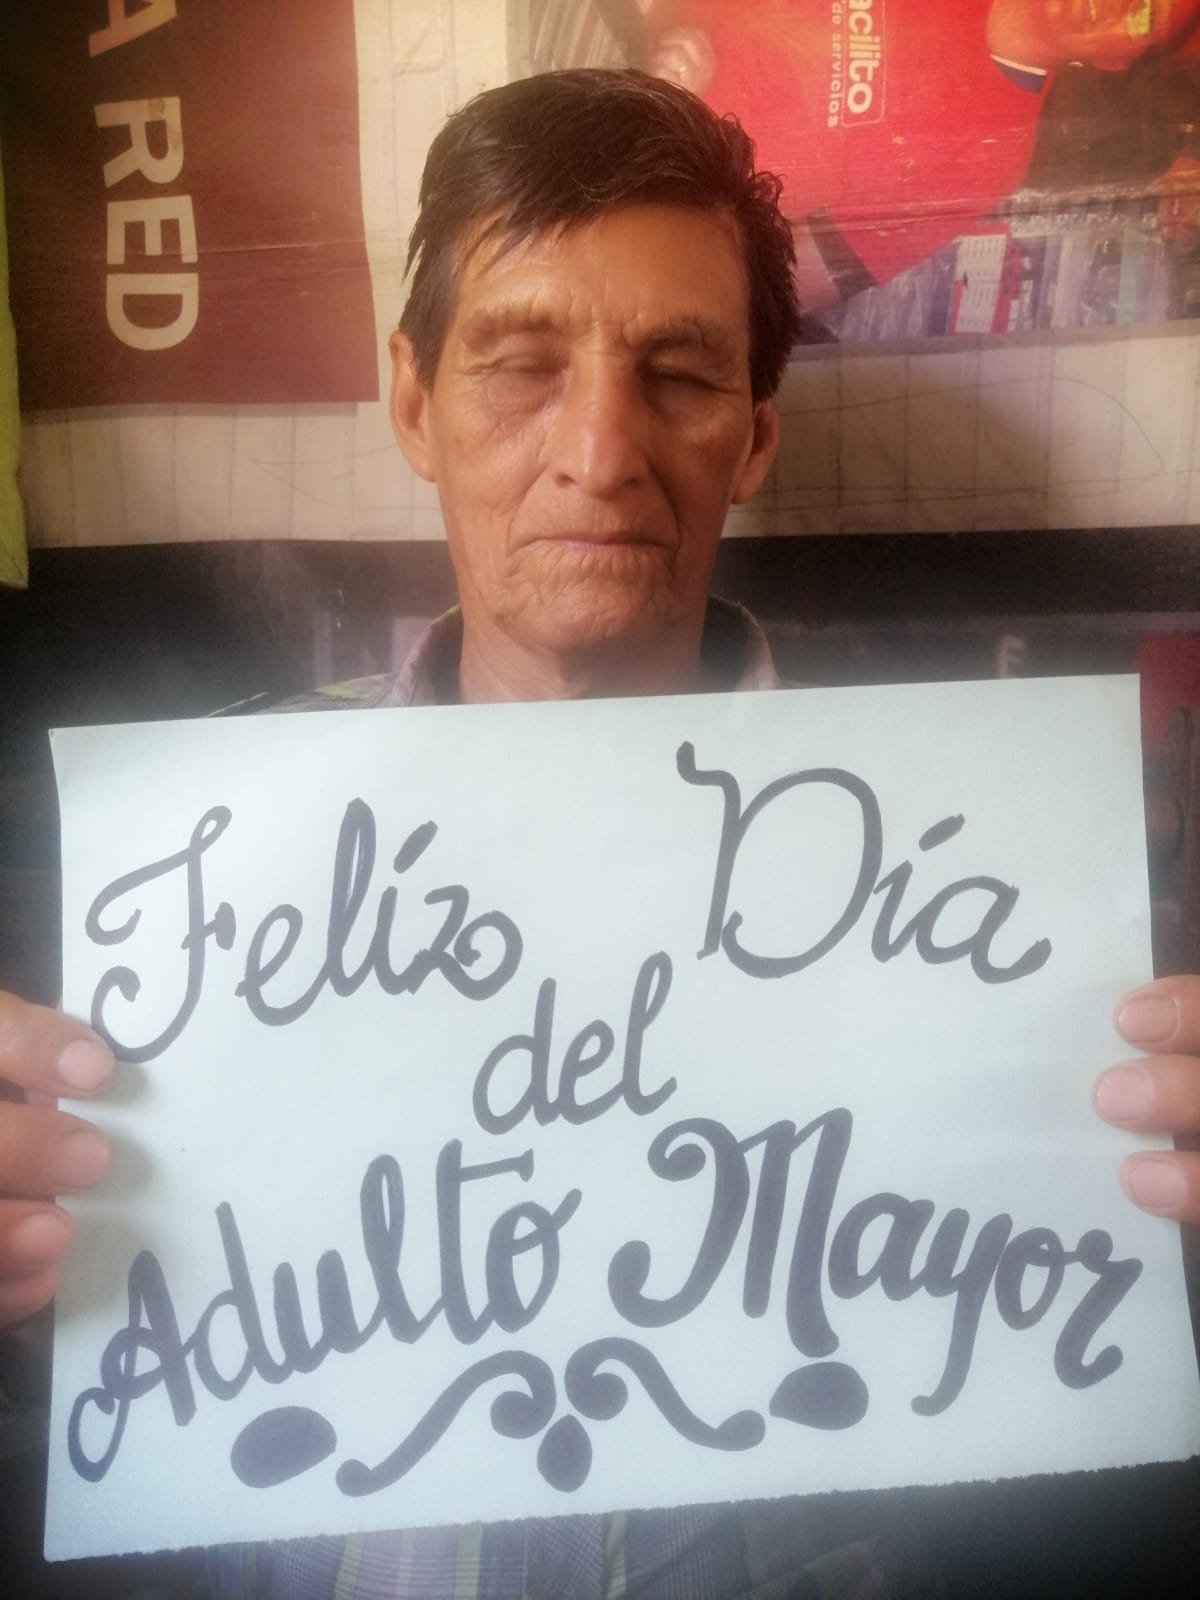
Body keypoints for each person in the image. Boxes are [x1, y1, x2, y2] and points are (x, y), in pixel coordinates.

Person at [1, 65, 1198, 1598]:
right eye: (520, 365)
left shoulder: (1002, 899)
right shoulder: (196, 880)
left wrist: (1170, 1259)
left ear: (753, 438)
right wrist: (30, 1286)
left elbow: (1060, 1392)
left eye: (679, 374)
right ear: (414, 405)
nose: (600, 452)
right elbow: (118, 1376)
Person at [644, 0, 1200, 311]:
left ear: (1115, 62)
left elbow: (787, 284)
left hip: (640, 195)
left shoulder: (994, 159)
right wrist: (661, 31)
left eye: (1144, 14)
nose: (1113, 2)